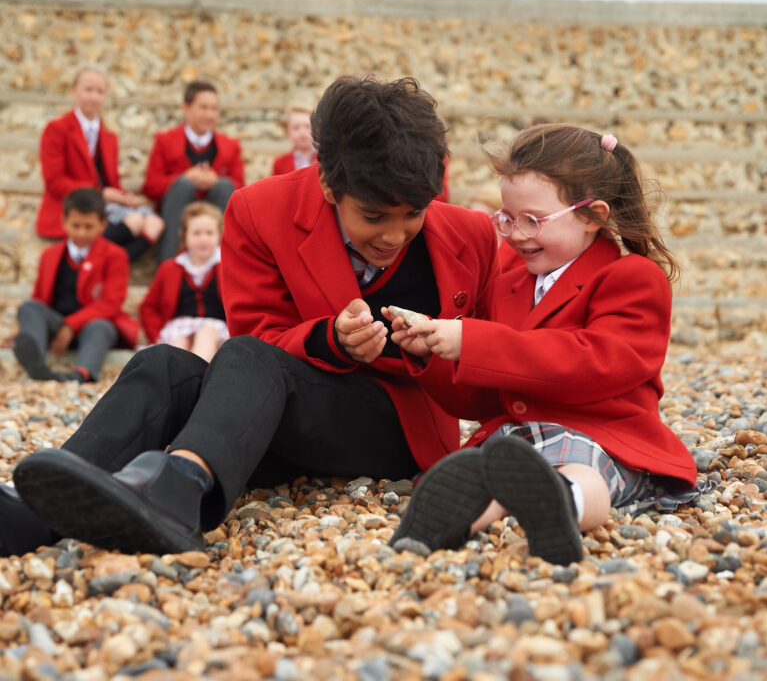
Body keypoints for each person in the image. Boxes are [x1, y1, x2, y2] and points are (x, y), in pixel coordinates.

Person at [4, 76, 499, 558]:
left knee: (241, 355)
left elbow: (492, 375)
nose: (395, 235)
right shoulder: (260, 211)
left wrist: (435, 349)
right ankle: (39, 503)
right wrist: (332, 341)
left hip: (396, 426)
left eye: (413, 213)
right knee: (163, 365)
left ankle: (177, 491)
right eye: (374, 216)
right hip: (278, 411)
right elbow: (261, 335)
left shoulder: (470, 236)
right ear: (328, 183)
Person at [388, 124, 697, 565]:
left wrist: (473, 341)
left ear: (593, 216)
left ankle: (562, 507)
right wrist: (431, 356)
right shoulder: (510, 283)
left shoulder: (633, 278)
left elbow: (593, 362)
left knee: (583, 472)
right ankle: (439, 528)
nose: (515, 234)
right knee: (495, 477)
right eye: (507, 218)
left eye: (533, 220)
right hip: (519, 439)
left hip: (602, 435)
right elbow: (484, 397)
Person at [36, 66, 164, 260]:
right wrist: (100, 193)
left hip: (104, 205)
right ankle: (102, 264)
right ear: (73, 92)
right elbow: (55, 182)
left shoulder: (109, 135)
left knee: (155, 224)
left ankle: (105, 263)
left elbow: (109, 181)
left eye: (100, 91)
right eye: (88, 90)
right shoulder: (57, 129)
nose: (94, 97)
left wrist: (122, 196)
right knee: (135, 221)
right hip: (74, 207)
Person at [15, 188, 139, 384]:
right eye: (76, 225)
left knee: (101, 327)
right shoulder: (50, 255)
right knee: (29, 308)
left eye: (88, 227)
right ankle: (36, 363)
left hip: (92, 325)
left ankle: (82, 374)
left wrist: (71, 325)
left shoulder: (115, 255)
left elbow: (111, 303)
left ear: (103, 225)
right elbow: (39, 297)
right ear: (64, 222)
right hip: (56, 324)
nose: (81, 232)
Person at [142, 81, 245, 261]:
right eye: (203, 108)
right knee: (182, 185)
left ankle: (226, 264)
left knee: (224, 185)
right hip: (178, 212)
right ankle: (169, 265)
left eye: (214, 109)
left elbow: (240, 188)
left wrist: (214, 180)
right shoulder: (164, 141)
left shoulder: (231, 145)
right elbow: (150, 187)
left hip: (215, 210)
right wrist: (185, 178)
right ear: (186, 108)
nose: (210, 114)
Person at [140, 202, 228, 362]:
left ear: (219, 234)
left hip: (215, 329)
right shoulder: (169, 268)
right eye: (196, 233)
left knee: (206, 333)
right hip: (179, 326)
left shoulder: (228, 267)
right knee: (180, 343)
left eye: (209, 233)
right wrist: (156, 334)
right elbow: (149, 307)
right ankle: (176, 380)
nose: (203, 239)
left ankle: (197, 376)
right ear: (183, 234)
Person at [271, 102, 317, 175]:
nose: (302, 132)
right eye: (296, 128)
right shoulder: (279, 163)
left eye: (307, 126)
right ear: (287, 132)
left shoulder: (325, 160)